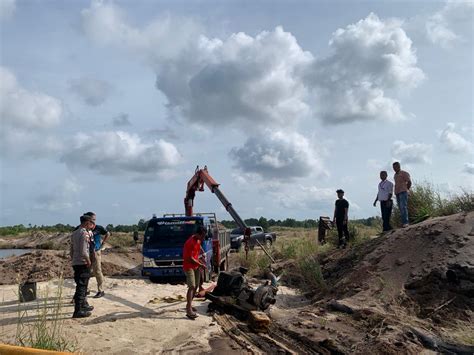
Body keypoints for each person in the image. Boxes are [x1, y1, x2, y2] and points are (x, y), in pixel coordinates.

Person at [70, 214, 95, 318]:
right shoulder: (84, 233)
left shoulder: (75, 233)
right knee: (81, 286)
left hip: (76, 262)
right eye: (90, 222)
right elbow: (84, 251)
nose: (91, 224)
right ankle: (78, 310)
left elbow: (71, 249)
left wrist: (73, 259)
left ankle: (83, 305)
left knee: (82, 285)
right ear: (86, 223)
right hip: (82, 262)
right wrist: (88, 261)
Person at [182, 225, 207, 319]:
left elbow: (199, 247)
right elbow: (190, 258)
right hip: (189, 266)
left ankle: (189, 305)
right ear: (198, 234)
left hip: (196, 266)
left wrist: (203, 252)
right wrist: (201, 264)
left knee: (196, 286)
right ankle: (189, 310)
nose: (203, 238)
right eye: (203, 236)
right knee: (192, 286)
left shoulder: (198, 240)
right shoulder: (189, 242)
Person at [84, 211, 110, 298]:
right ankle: (86, 290)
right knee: (86, 271)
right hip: (86, 252)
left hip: (96, 252)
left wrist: (103, 243)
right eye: (93, 219)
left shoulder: (98, 228)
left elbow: (108, 233)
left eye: (95, 219)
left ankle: (100, 290)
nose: (94, 221)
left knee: (97, 271)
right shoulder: (84, 228)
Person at [392, 162, 412, 228]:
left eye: (396, 167)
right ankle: (403, 222)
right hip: (397, 192)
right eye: (393, 167)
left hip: (403, 191)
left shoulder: (404, 173)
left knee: (403, 206)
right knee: (400, 208)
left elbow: (409, 182)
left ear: (399, 166)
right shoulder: (395, 175)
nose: (395, 169)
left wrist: (407, 189)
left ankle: (406, 222)